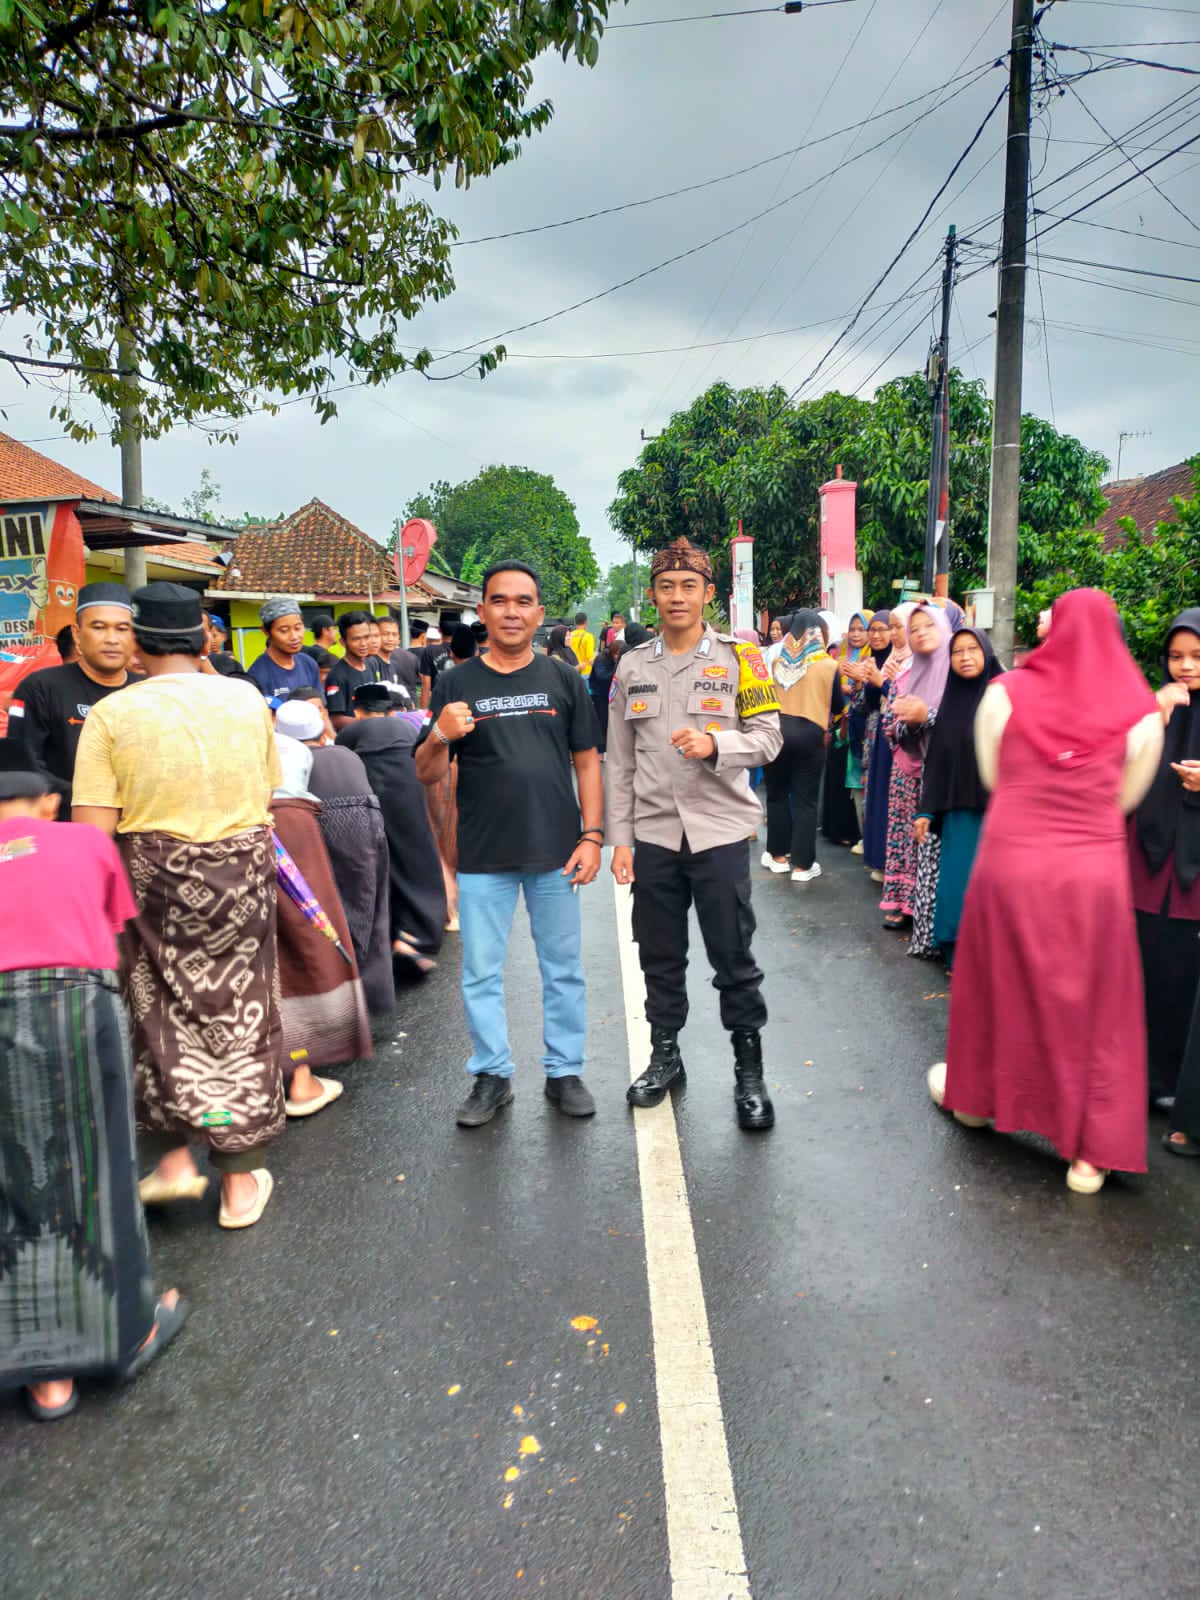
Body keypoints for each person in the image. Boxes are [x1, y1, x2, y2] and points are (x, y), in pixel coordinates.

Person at [928, 588, 1162, 1195]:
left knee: (998, 983)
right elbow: (1127, 798)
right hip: (1092, 872)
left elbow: (993, 776)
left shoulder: (1005, 693)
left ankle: (975, 1101)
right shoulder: (1142, 710)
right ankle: (1089, 1155)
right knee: (1095, 1007)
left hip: (1011, 860)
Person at [72, 582, 286, 1230]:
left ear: (137, 642)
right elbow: (267, 794)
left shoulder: (112, 714)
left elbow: (92, 832)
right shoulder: (247, 699)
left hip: (153, 885)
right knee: (243, 1012)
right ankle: (239, 1182)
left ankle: (171, 1163)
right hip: (243, 878)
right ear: (202, 639)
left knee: (153, 1012)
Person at [0, 744, 188, 1422]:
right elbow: (108, 925)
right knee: (99, 1164)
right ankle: (127, 1330)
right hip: (76, 1002)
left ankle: (44, 1378)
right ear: (49, 803)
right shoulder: (83, 842)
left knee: (11, 1180)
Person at [415, 561, 602, 1126]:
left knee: (562, 970)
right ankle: (492, 1076)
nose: (512, 611)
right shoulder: (456, 683)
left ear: (539, 614)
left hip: (556, 850)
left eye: (523, 602)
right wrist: (440, 733)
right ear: (483, 611)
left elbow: (587, 763)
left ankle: (564, 1072)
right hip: (483, 854)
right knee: (480, 973)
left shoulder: (563, 679)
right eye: (500, 601)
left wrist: (593, 836)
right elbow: (426, 771)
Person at [606, 537, 782, 1130]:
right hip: (655, 835)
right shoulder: (632, 665)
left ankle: (749, 1071)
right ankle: (665, 1056)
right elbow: (619, 761)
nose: (677, 596)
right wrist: (621, 839)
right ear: (652, 595)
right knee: (659, 954)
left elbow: (769, 738)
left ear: (709, 594)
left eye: (688, 586)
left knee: (733, 955)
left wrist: (715, 745)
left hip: (718, 832)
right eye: (666, 587)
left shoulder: (743, 659)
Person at [270, 723, 372, 1103]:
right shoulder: (288, 748)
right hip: (292, 825)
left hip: (213, 833)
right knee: (306, 942)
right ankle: (300, 1075)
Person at [1129, 610, 1200, 1116]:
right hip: (1147, 862)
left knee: (1183, 976)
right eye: (1176, 657)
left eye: (1196, 656)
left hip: (1193, 874)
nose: (1185, 667)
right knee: (1144, 968)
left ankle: (1176, 1082)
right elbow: (1118, 765)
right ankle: (1142, 1077)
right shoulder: (1152, 706)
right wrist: (1154, 715)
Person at [5, 581, 140, 816]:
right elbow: (24, 763)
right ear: (77, 635)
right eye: (99, 627)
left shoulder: (146, 691)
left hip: (137, 825)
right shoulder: (41, 688)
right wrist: (93, 799)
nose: (111, 639)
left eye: (122, 629)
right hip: (64, 823)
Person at [913, 626, 1004, 972]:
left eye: (972, 649)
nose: (965, 657)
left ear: (987, 653)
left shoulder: (1004, 699)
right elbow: (937, 761)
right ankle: (956, 954)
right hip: (959, 815)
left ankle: (990, 957)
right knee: (957, 885)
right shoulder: (949, 703)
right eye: (957, 651)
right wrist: (926, 811)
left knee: (993, 888)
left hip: (1000, 814)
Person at [339, 682, 447, 973]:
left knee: (384, 860)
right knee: (417, 853)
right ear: (388, 709)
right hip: (411, 789)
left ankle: (392, 937)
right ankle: (421, 933)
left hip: (374, 792)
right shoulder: (405, 727)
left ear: (357, 709)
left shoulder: (350, 732)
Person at [881, 603, 951, 932]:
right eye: (914, 629)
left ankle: (933, 915)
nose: (920, 634)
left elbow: (965, 722)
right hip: (907, 770)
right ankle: (904, 902)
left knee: (935, 844)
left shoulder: (958, 669)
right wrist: (906, 724)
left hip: (945, 775)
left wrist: (927, 717)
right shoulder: (910, 673)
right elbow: (893, 723)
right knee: (906, 838)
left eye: (928, 626)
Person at [761, 610, 839, 883]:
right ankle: (803, 867)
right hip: (810, 735)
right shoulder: (829, 665)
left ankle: (778, 857)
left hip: (776, 732)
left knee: (777, 795)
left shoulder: (776, 663)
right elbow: (838, 706)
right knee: (806, 801)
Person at [862, 607, 910, 885]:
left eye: (896, 627)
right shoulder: (893, 657)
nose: (892, 633)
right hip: (884, 729)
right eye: (891, 627)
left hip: (902, 736)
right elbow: (875, 698)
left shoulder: (916, 660)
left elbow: (906, 699)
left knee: (894, 802)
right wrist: (872, 680)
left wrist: (882, 682)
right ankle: (879, 859)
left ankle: (894, 866)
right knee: (880, 796)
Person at [824, 611, 868, 849]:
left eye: (861, 629)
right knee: (838, 777)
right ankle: (837, 829)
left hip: (861, 724)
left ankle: (856, 832)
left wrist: (856, 687)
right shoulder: (839, 653)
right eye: (852, 629)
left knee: (856, 781)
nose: (856, 634)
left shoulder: (873, 656)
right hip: (838, 720)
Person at [246, 596, 324, 702]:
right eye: (284, 630)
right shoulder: (257, 675)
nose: (294, 636)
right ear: (266, 631)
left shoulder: (308, 664)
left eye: (298, 628)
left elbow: (321, 707)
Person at [324, 610, 385, 729]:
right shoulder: (336, 676)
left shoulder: (372, 664)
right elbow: (335, 719)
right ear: (343, 642)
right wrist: (367, 723)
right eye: (356, 639)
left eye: (367, 637)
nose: (363, 644)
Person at [589, 628, 623, 757]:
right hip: (600, 695)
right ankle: (600, 752)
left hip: (611, 694)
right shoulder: (602, 658)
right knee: (602, 722)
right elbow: (602, 676)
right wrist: (616, 669)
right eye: (617, 655)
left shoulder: (614, 659)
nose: (617, 657)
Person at [418, 626, 449, 708]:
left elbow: (425, 683)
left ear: (426, 640)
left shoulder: (428, 651)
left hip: (437, 699)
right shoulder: (459, 649)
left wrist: (423, 709)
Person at [568, 611, 596, 677]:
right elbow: (590, 658)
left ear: (575, 622)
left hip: (572, 671)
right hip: (585, 672)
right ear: (586, 622)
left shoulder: (569, 635)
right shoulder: (588, 636)